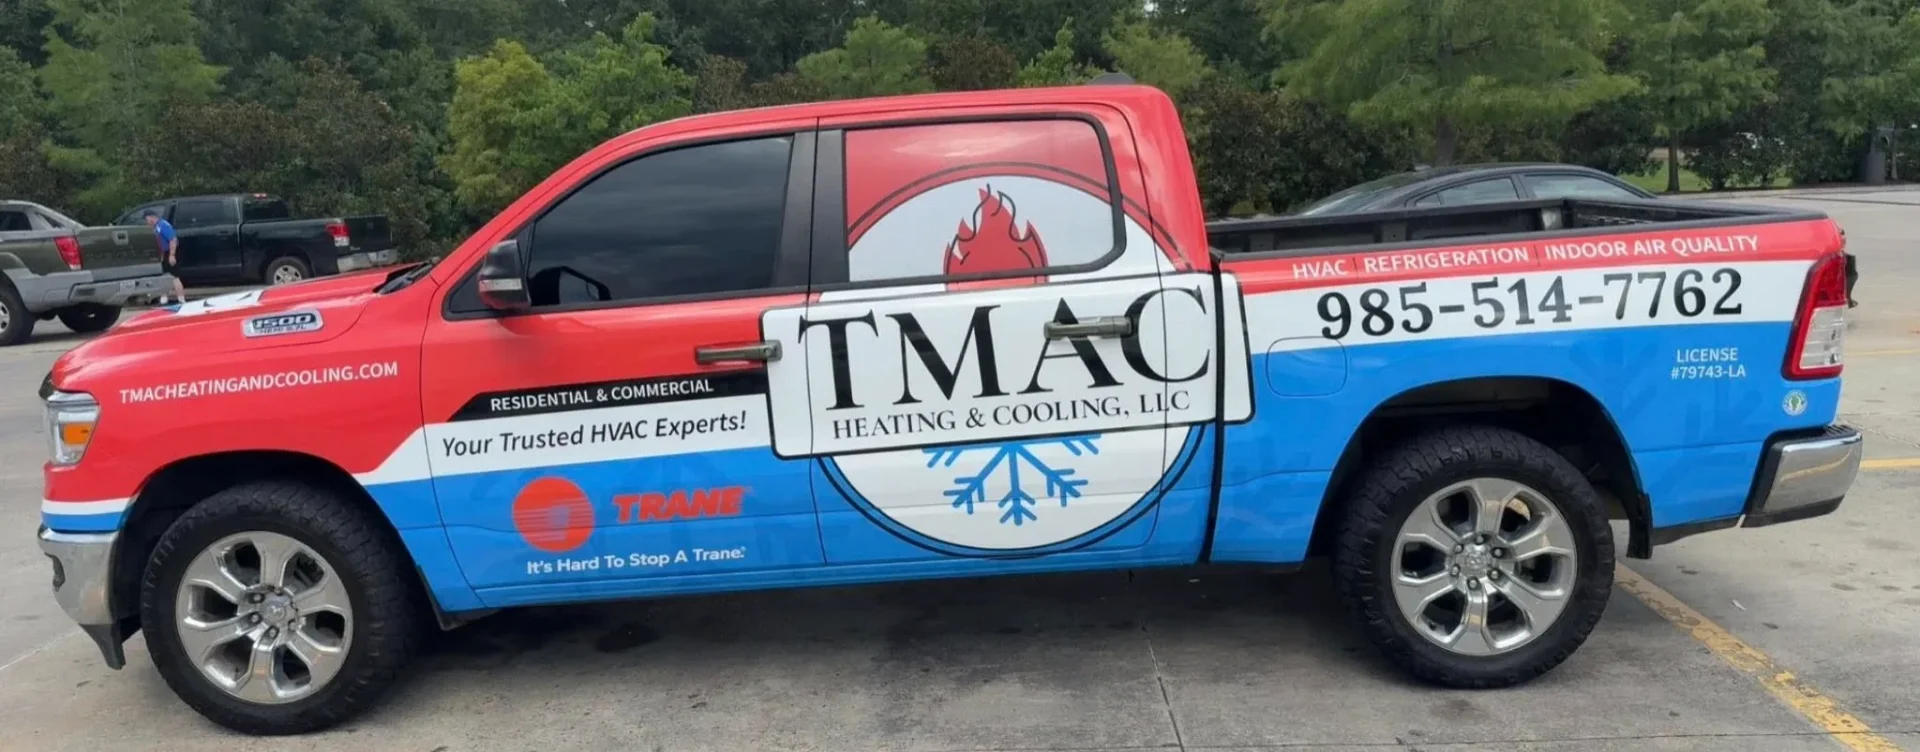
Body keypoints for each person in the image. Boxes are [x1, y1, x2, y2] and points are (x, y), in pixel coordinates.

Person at [145, 210, 185, 305]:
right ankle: (164, 299)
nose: (146, 222)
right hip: (163, 253)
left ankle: (181, 299)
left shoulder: (162, 225)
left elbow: (173, 240)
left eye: (146, 219)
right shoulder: (156, 226)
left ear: (151, 217)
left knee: (174, 277)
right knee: (163, 277)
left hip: (169, 252)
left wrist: (172, 255)